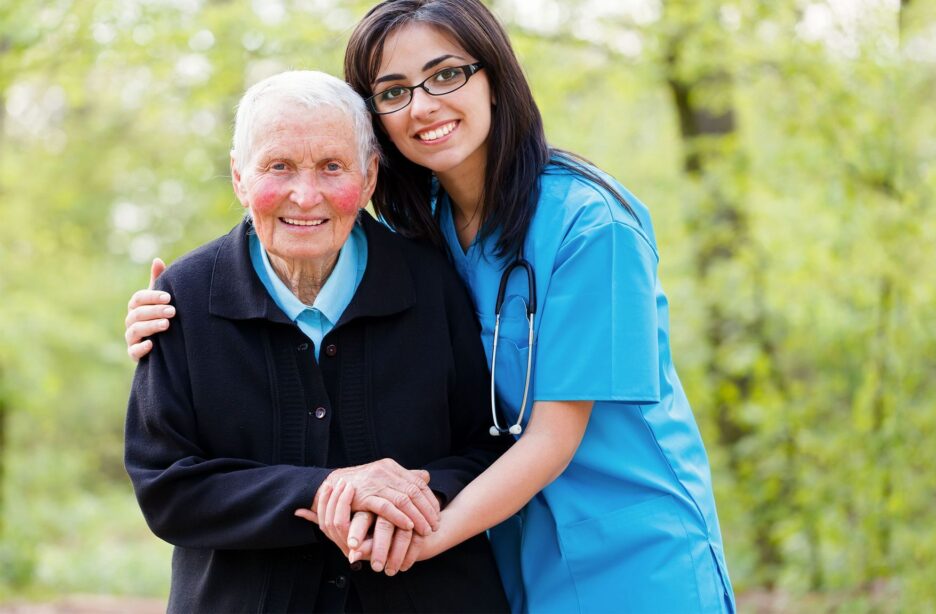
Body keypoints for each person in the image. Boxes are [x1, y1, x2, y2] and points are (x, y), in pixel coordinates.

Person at [126, 1, 736, 612]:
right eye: (394, 91)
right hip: (506, 545)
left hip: (627, 551)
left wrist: (406, 537)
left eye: (447, 75)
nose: (422, 106)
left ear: (495, 76)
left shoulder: (590, 226)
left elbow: (552, 435)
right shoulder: (425, 230)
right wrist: (179, 316)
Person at [124, 69, 510, 614]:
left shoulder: (432, 281)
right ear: (239, 177)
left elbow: (486, 446)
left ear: (370, 176)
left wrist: (417, 495)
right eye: (278, 166)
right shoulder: (181, 300)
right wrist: (330, 489)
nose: (305, 196)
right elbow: (167, 488)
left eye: (332, 167)